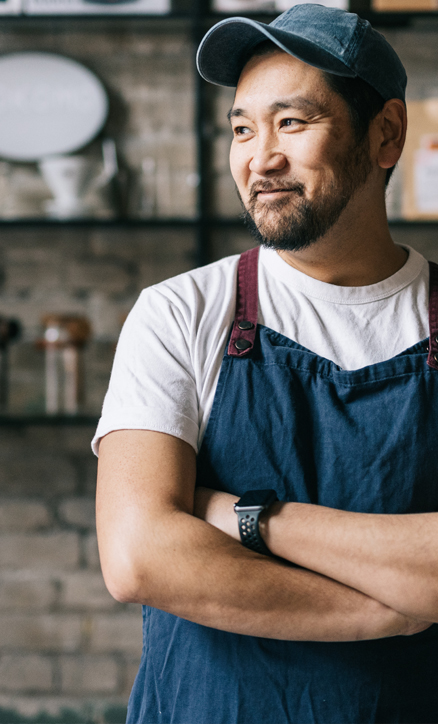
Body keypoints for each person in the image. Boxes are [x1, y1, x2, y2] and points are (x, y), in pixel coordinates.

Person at [94, 4, 438, 723]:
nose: (261, 157)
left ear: (386, 134)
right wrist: (389, 610)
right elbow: (138, 556)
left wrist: (245, 517)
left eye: (293, 122)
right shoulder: (180, 313)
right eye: (243, 128)